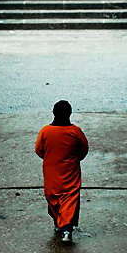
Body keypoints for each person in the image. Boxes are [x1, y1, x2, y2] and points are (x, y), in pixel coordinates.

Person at [35, 100, 89, 243]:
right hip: (70, 172)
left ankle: (59, 224)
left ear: (53, 113)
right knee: (69, 199)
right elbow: (83, 150)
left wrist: (50, 158)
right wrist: (74, 159)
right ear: (70, 114)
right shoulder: (75, 131)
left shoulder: (45, 131)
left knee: (53, 198)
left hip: (51, 172)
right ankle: (66, 229)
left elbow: (39, 150)